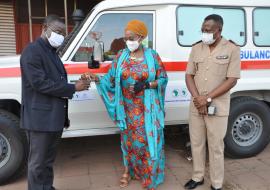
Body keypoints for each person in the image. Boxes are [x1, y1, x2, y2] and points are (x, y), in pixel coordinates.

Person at [83, 20, 168, 190]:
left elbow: (163, 79)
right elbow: (111, 79)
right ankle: (131, 171)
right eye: (126, 38)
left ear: (141, 37)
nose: (128, 41)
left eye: (131, 37)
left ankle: (148, 174)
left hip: (148, 109)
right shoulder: (121, 55)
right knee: (130, 142)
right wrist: (96, 78)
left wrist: (146, 85)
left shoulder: (152, 56)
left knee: (148, 140)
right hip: (127, 109)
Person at [20, 15, 90, 190]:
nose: (61, 36)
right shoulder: (32, 51)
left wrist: (76, 84)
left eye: (63, 33)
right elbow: (40, 83)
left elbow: (55, 81)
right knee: (37, 163)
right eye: (57, 31)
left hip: (52, 118)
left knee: (48, 160)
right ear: (44, 28)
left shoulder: (51, 52)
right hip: (40, 119)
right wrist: (73, 88)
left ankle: (46, 187)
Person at [184, 14, 241, 190]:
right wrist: (197, 99)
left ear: (219, 30)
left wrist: (207, 99)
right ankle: (198, 176)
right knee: (197, 142)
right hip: (197, 106)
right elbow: (189, 75)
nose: (204, 33)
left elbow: (231, 80)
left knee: (216, 146)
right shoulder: (196, 48)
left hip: (217, 106)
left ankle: (216, 183)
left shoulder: (231, 49)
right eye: (202, 29)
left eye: (208, 30)